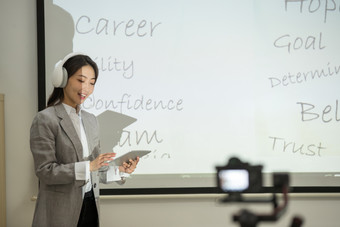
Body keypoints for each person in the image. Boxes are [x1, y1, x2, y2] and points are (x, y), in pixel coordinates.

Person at [30, 53, 139, 227]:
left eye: (92, 83)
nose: (86, 88)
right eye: (81, 80)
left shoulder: (91, 120)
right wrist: (88, 166)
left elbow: (96, 169)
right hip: (59, 213)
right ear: (63, 79)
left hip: (90, 206)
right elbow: (45, 171)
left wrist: (121, 170)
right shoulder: (45, 119)